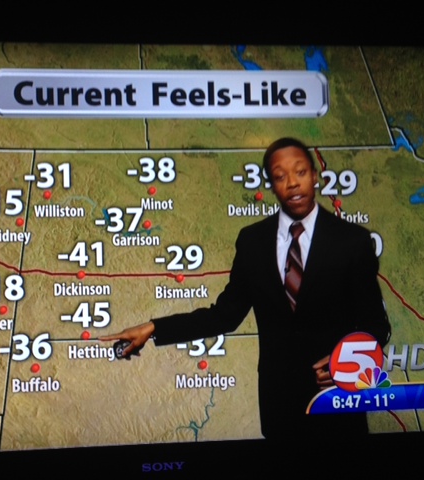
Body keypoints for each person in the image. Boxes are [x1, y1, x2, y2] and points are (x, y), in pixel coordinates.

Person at [101, 137, 391, 440]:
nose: (292, 183)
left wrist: (345, 362)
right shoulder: (254, 241)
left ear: (315, 176)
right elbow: (224, 316)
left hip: (338, 405)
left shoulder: (351, 241)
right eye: (280, 176)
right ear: (272, 185)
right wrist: (154, 328)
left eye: (300, 172)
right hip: (281, 409)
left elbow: (376, 326)